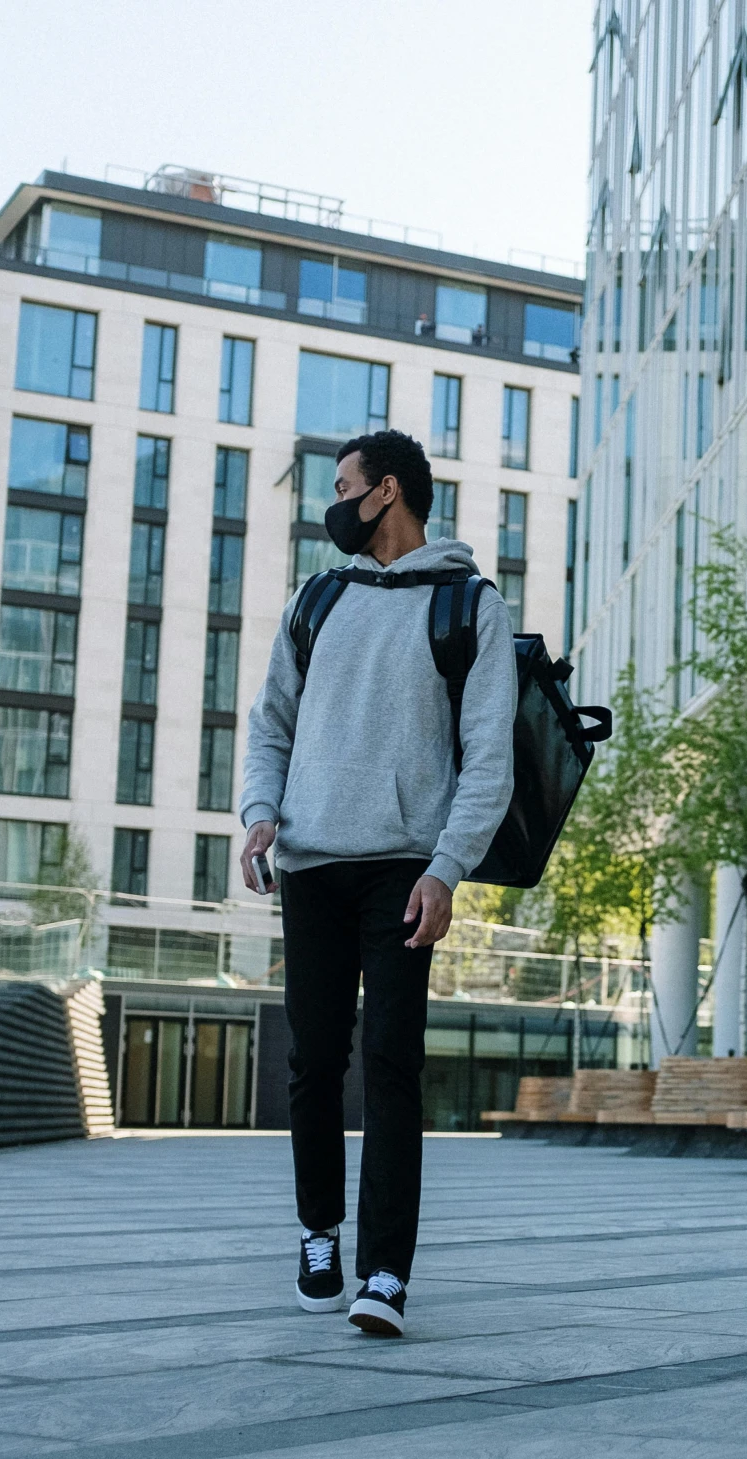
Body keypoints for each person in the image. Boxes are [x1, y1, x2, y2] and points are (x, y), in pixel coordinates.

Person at [239, 428, 515, 1336]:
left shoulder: (470, 604)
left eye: (343, 485)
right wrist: (259, 812)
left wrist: (448, 867)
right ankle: (320, 1230)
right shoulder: (315, 599)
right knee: (314, 1063)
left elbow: (488, 758)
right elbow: (269, 720)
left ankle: (385, 1272)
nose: (334, 502)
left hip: (404, 870)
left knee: (391, 1064)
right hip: (312, 864)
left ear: (385, 490)